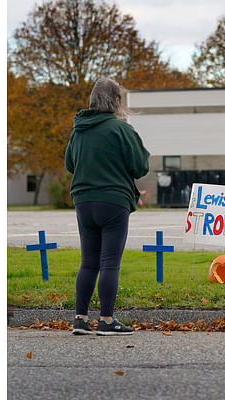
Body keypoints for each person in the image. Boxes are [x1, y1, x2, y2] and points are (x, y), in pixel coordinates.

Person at [64, 77, 150, 336]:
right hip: (113, 201)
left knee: (88, 262)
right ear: (115, 101)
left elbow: (70, 164)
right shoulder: (121, 129)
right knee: (110, 262)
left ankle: (80, 319)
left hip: (83, 201)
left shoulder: (78, 129)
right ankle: (107, 319)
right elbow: (140, 166)